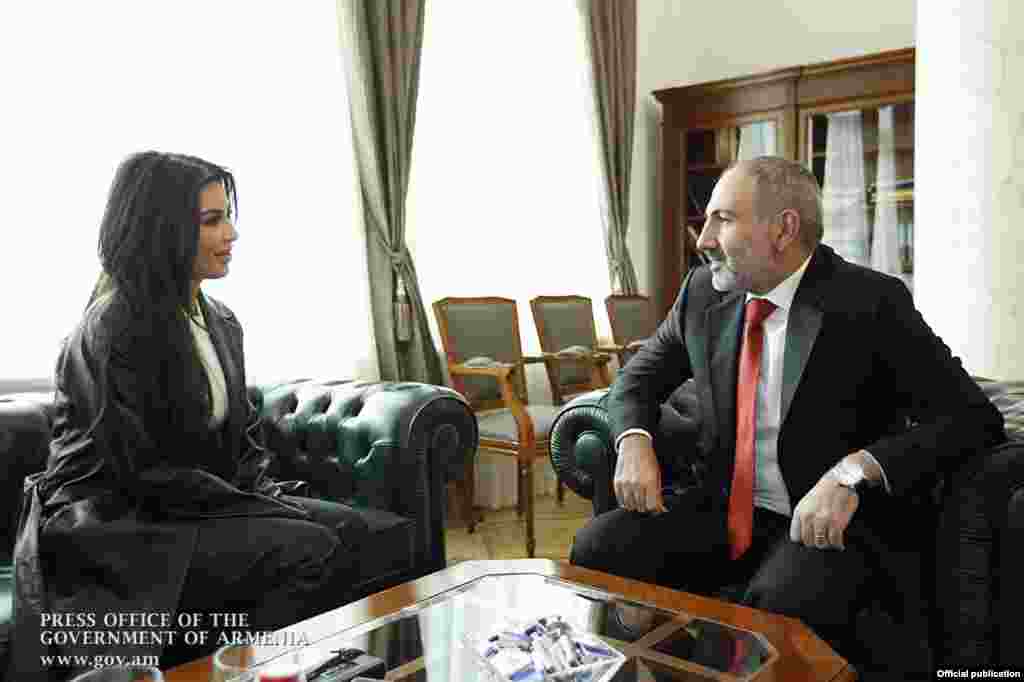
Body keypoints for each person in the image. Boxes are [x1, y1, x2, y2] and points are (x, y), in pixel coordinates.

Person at [569, 156, 1006, 675]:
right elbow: (636, 380)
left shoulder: (869, 302)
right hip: (720, 511)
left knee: (780, 602)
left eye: (723, 219)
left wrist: (854, 471)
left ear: (784, 229)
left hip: (824, 525)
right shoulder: (702, 294)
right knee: (600, 544)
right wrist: (634, 440)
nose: (703, 238)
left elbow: (971, 417)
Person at [10, 152, 369, 680]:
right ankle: (244, 674)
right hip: (115, 523)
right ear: (162, 231)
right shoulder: (113, 328)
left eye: (228, 216)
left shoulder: (220, 320)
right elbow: (141, 472)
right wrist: (258, 509)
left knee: (355, 528)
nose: (233, 233)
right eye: (212, 220)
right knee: (308, 547)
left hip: (188, 505)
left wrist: (263, 495)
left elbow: (242, 437)